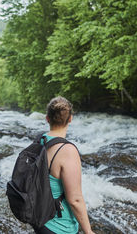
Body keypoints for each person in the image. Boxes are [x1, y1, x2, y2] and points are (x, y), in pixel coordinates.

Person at [34, 96, 95, 234]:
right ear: (70, 119)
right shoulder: (67, 151)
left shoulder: (40, 140)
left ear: (47, 118)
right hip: (60, 227)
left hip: (39, 219)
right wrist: (88, 231)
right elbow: (75, 200)